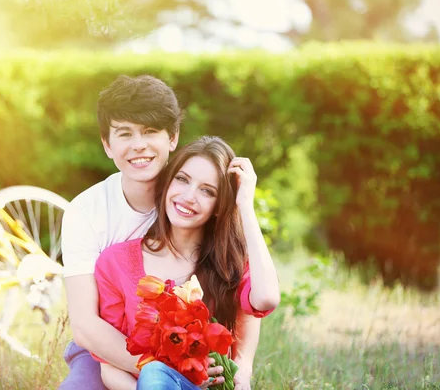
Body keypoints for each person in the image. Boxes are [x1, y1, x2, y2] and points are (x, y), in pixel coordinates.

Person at [60, 76, 262, 389]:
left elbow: (241, 289)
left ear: (172, 137)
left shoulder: (190, 195)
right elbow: (86, 327)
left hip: (186, 351)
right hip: (106, 346)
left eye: (150, 131)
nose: (138, 145)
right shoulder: (85, 212)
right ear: (107, 144)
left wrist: (243, 370)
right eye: (124, 133)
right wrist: (157, 370)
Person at [93, 136, 281, 390]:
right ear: (168, 183)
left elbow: (266, 299)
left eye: (207, 191)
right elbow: (109, 368)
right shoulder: (115, 262)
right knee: (155, 372)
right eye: (182, 179)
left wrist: (245, 206)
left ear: (218, 206)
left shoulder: (229, 265)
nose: (189, 196)